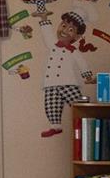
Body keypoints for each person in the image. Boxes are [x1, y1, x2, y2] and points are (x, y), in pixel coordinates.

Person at [40, 9, 94, 137]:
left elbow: (82, 64)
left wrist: (88, 76)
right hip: (51, 82)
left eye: (70, 29)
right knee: (51, 104)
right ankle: (55, 126)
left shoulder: (73, 51)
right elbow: (47, 34)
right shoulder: (52, 44)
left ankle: (88, 120)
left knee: (77, 102)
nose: (64, 30)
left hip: (68, 82)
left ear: (76, 36)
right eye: (63, 26)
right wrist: (44, 19)